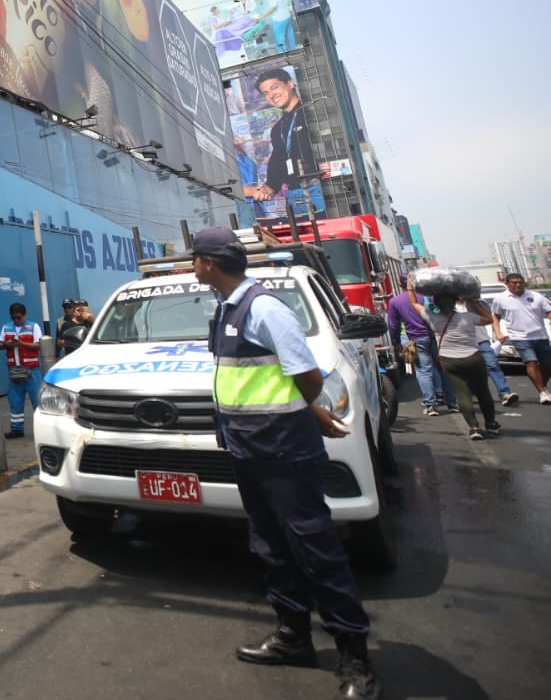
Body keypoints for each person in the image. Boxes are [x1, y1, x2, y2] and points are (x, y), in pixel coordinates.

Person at [191, 227, 378, 700]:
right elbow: (269, 377)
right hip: (249, 449)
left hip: (284, 451)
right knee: (271, 546)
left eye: (195, 259)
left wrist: (308, 408)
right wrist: (310, 410)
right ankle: (292, 636)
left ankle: (355, 658)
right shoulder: (227, 308)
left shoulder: (264, 309)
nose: (192, 266)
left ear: (209, 264)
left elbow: (305, 375)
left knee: (315, 550)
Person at [426, 292, 499, 440]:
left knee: (462, 394)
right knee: (483, 392)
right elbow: (489, 319)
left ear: (436, 303)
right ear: (455, 302)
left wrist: (410, 287)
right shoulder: (468, 317)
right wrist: (473, 302)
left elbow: (414, 303)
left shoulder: (432, 318)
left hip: (449, 360)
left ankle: (474, 428)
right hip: (473, 358)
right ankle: (490, 424)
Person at [387, 276, 455, 415]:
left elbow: (393, 325)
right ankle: (452, 402)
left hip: (417, 338)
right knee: (443, 368)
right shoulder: (429, 297)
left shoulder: (395, 301)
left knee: (424, 371)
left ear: (400, 284)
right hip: (437, 336)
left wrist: (396, 342)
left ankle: (431, 405)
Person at [252, 68, 316, 202]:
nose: (271, 95)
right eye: (265, 93)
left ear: (290, 84)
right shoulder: (277, 128)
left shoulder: (311, 112)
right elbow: (277, 161)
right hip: (296, 193)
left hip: (321, 186)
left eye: (274, 87)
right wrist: (269, 187)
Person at [489, 272, 551, 404]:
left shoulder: (535, 296)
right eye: (514, 283)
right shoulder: (501, 298)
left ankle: (542, 386)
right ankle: (542, 392)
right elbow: (495, 316)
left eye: (520, 282)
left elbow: (548, 310)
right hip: (519, 337)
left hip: (540, 335)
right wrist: (498, 332)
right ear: (507, 284)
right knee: (531, 362)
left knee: (547, 363)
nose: (518, 285)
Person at [0, 303, 43, 439]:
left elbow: (38, 345)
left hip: (32, 371)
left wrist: (21, 344)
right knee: (15, 400)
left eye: (19, 318)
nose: (16, 320)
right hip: (14, 370)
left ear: (25, 315)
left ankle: (41, 429)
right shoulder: (6, 327)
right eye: (14, 318)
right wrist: (6, 344)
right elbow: (0, 344)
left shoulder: (33, 327)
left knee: (37, 400)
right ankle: (17, 429)